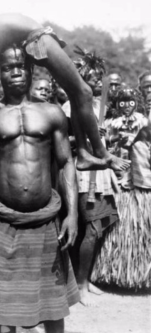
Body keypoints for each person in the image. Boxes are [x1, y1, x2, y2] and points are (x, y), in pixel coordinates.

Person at [0, 45, 80, 333]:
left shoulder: (52, 113)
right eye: (8, 67)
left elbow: (66, 163)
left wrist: (73, 215)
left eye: (21, 66)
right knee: (5, 309)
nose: (15, 71)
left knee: (53, 304)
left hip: (46, 221)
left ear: (31, 70)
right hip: (4, 223)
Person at [0, 13, 129, 172]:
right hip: (36, 39)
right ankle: (100, 152)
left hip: (37, 38)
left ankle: (84, 153)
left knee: (78, 93)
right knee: (84, 92)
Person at [72, 49, 119, 306]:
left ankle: (85, 279)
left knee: (97, 228)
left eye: (96, 75)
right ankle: (79, 284)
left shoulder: (101, 106)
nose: (92, 78)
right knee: (86, 229)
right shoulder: (70, 105)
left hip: (101, 174)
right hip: (80, 175)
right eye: (86, 74)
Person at [91, 90, 151, 289]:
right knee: (116, 225)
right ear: (118, 104)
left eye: (130, 101)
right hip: (117, 175)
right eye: (123, 102)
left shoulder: (143, 120)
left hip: (138, 176)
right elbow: (103, 146)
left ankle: (137, 274)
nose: (127, 105)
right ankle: (110, 272)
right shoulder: (109, 123)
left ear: (136, 102)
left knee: (137, 226)